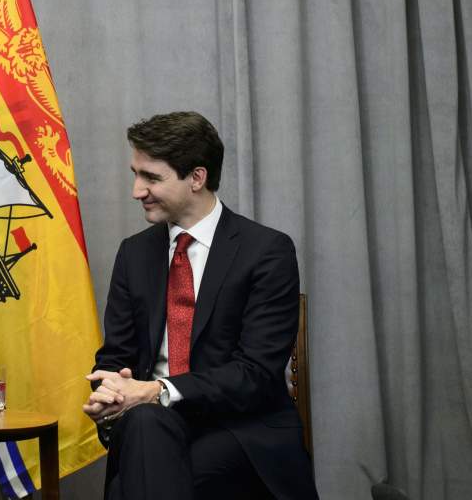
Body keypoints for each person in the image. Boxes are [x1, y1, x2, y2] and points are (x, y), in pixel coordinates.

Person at [83, 112, 318, 499]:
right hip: (149, 425)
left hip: (240, 430)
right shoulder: (134, 254)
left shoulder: (266, 252)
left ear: (197, 177)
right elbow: (115, 356)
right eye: (135, 174)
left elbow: (255, 374)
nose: (136, 191)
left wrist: (158, 389)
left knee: (134, 484)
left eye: (151, 178)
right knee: (144, 424)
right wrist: (110, 391)